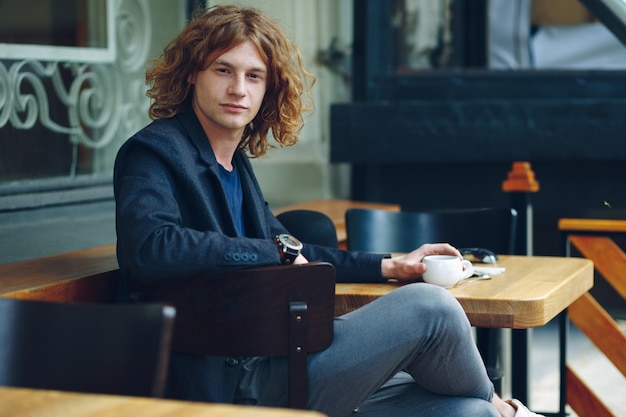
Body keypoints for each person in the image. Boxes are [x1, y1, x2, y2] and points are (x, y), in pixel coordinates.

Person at [113, 5, 542, 417]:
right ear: (192, 74)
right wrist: (273, 253)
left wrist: (393, 266)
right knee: (433, 309)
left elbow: (296, 248)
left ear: (268, 90)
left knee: (467, 412)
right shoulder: (155, 151)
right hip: (227, 382)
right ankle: (508, 408)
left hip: (278, 359)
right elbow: (151, 249)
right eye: (223, 69)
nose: (238, 89)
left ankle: (495, 410)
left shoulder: (234, 163)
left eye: (254, 76)